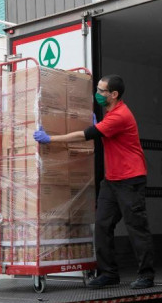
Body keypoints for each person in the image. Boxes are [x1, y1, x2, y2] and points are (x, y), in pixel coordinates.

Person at [33, 74, 155, 289]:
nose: (97, 94)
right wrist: (100, 125)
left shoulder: (120, 115)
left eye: (101, 91)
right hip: (112, 180)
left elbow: (85, 135)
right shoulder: (111, 115)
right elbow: (104, 133)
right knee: (102, 225)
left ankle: (146, 275)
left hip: (130, 179)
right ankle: (109, 273)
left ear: (114, 94)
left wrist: (51, 139)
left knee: (136, 226)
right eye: (97, 89)